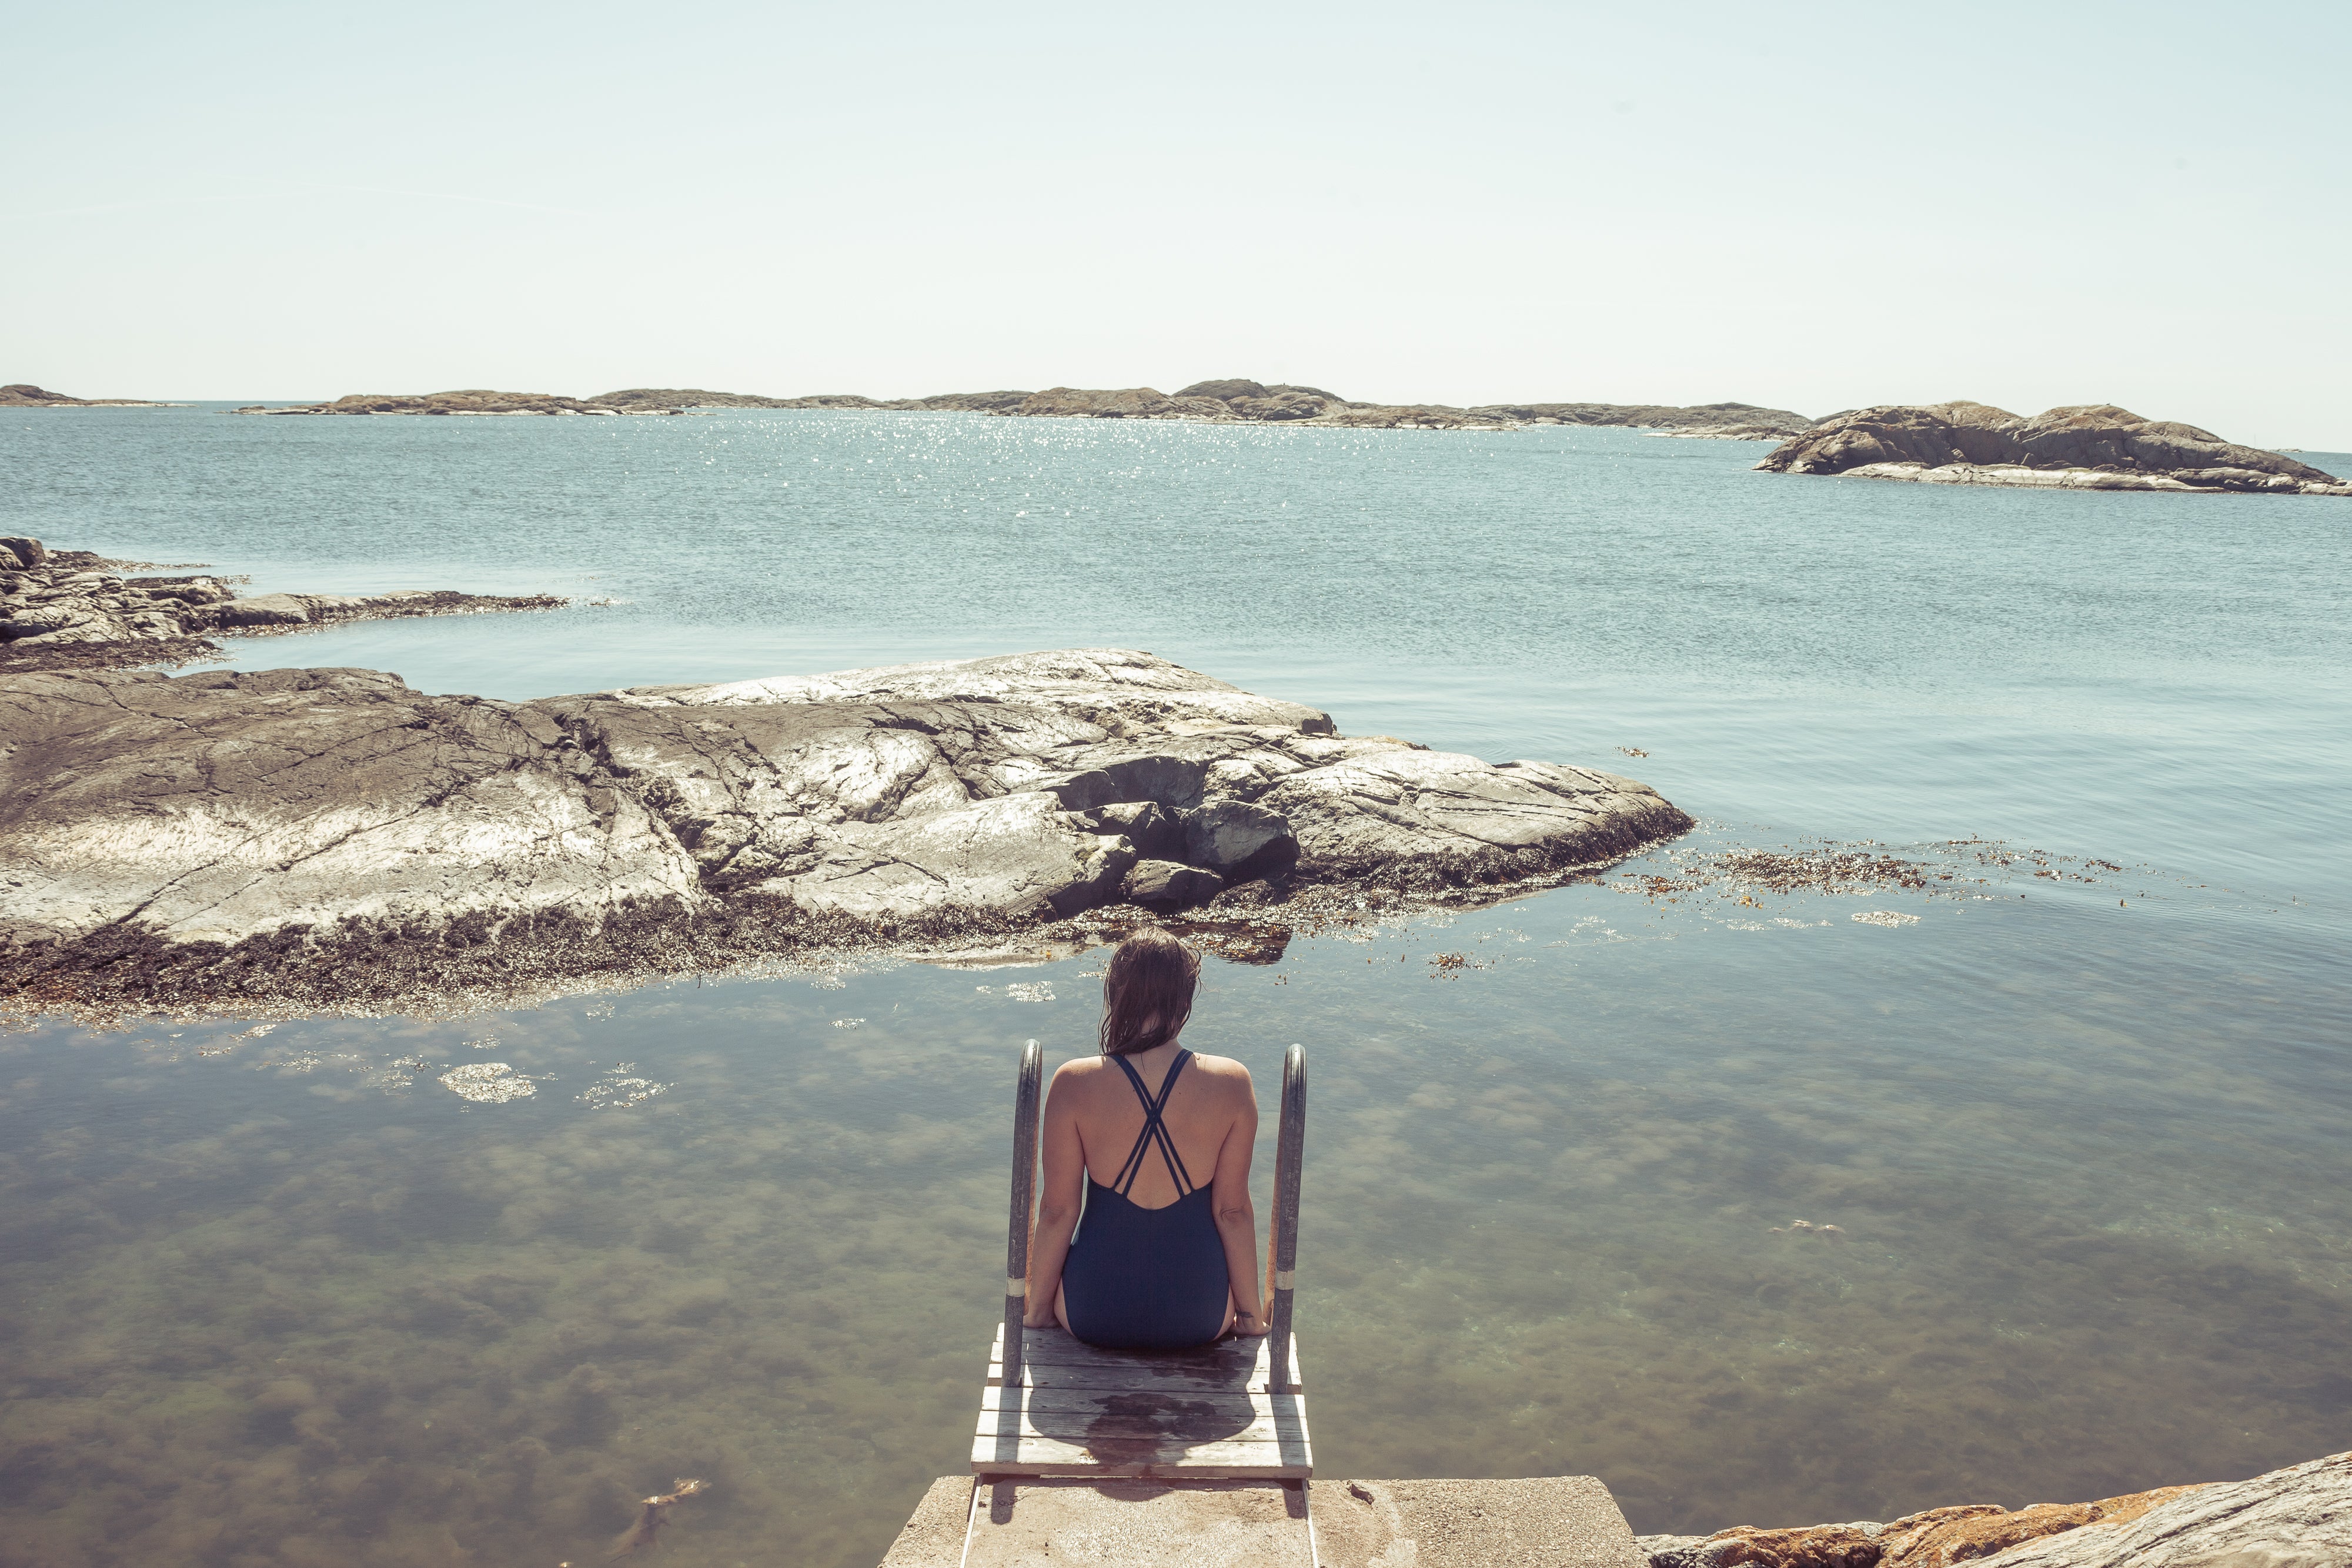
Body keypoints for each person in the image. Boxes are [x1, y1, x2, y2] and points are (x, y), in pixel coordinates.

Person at [1022, 929, 1271, 1349]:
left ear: (1115, 995)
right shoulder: (1231, 1083)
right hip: (1199, 1314)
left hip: (1092, 1312)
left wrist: (1040, 1311)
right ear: (1185, 1000)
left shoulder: (1074, 1083)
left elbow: (1057, 1210)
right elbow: (1233, 1212)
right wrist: (1249, 1317)